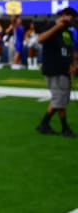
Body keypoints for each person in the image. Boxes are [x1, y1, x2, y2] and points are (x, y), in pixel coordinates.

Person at [35, 7, 76, 138]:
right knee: (59, 98)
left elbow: (71, 50)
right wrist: (56, 27)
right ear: (64, 15)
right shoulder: (51, 25)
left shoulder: (67, 32)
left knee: (60, 98)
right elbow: (40, 39)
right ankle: (62, 127)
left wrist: (73, 64)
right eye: (71, 18)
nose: (72, 21)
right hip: (54, 69)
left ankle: (45, 124)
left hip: (64, 69)